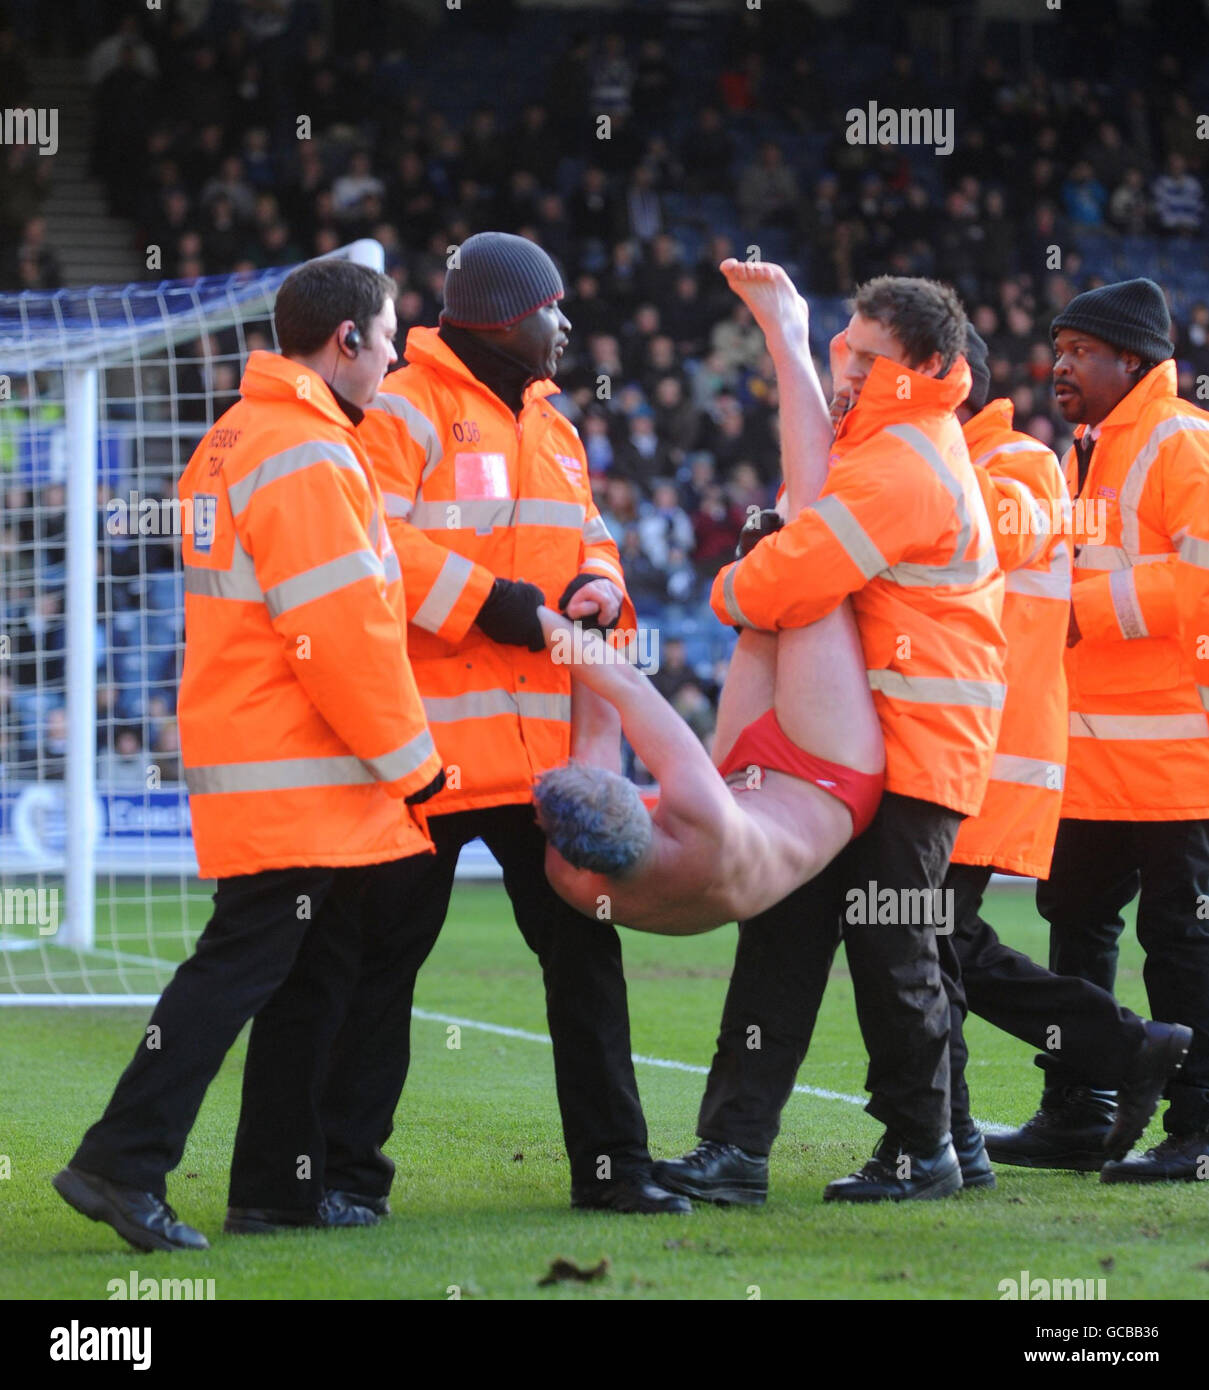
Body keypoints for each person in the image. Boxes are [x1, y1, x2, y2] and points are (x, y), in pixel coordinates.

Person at [52, 258, 446, 1251]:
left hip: (265, 762)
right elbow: (344, 632)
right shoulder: (307, 453)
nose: (397, 353)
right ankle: (120, 1160)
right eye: (389, 334)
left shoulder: (235, 439)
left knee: (305, 976)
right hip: (301, 773)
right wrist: (417, 766)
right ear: (346, 340)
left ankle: (276, 1190)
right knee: (239, 972)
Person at [346, 231, 684, 1214]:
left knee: (588, 957)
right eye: (554, 307)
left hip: (541, 761)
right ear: (505, 318)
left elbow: (597, 536)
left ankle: (616, 1172)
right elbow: (374, 541)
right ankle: (343, 1179)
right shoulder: (403, 408)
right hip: (430, 752)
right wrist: (493, 601)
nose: (568, 323)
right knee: (380, 965)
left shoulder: (556, 424)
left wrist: (598, 584)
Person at [655, 274, 1008, 1205]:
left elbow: (792, 578)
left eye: (863, 353)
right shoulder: (884, 445)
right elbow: (802, 549)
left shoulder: (901, 459)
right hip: (880, 742)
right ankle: (747, 1151)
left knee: (893, 952)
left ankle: (919, 1149)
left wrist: (730, 589)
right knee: (794, 933)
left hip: (915, 747)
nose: (842, 365)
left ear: (925, 366)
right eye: (838, 345)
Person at [534, 260, 885, 934]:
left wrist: (589, 612)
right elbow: (628, 694)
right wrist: (540, 615)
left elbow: (600, 725)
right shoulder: (694, 816)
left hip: (749, 787)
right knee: (807, 543)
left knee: (768, 583)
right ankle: (789, 337)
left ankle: (810, 380)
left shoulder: (571, 875)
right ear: (642, 806)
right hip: (830, 780)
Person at [940, 327, 1192, 1181]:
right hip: (1085, 751)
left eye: (1081, 349)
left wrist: (1084, 610)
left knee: (1178, 939)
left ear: (1132, 360)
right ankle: (1077, 1111)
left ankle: (1196, 1129)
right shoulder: (1078, 456)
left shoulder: (1180, 438)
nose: (1060, 365)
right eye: (1057, 348)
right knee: (1074, 925)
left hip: (1176, 752)